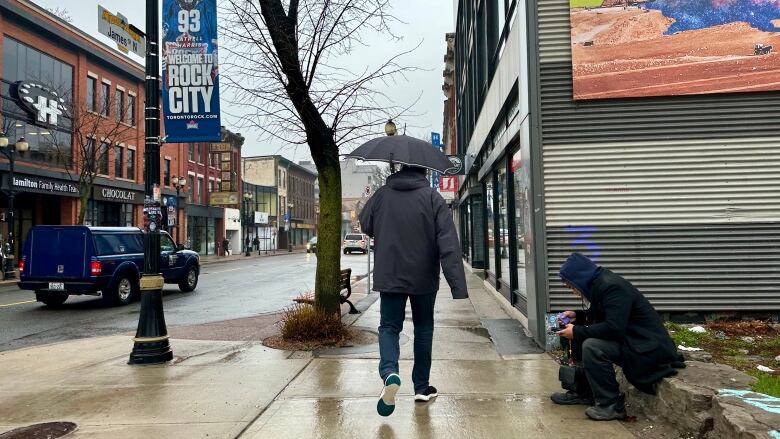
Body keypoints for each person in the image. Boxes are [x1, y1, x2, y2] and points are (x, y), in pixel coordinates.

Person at [359, 165, 468, 417]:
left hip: (390, 274)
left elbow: (365, 224)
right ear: (422, 171)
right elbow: (448, 242)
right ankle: (421, 387)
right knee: (423, 329)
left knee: (388, 327)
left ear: (400, 168)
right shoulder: (432, 197)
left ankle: (389, 373)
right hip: (423, 277)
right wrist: (457, 285)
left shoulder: (382, 194)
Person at [552, 252, 683, 421]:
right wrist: (578, 316)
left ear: (580, 278)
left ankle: (611, 405)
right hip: (633, 340)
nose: (573, 292)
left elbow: (613, 328)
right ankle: (584, 392)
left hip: (647, 347)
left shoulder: (612, 287)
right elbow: (603, 317)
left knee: (592, 346)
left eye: (572, 287)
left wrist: (577, 331)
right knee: (576, 334)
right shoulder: (599, 284)